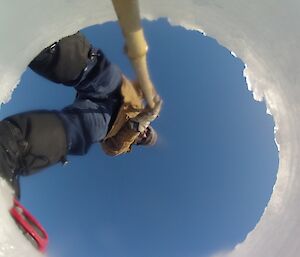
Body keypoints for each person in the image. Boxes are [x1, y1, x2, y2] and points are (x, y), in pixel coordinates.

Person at [0, 32, 162, 199]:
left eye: (144, 139)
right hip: (118, 91)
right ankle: (49, 45)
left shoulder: (125, 144)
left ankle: (13, 146)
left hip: (105, 120)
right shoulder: (139, 106)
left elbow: (111, 149)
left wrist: (139, 124)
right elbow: (139, 85)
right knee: (98, 71)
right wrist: (151, 96)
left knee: (84, 130)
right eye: (148, 132)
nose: (144, 135)